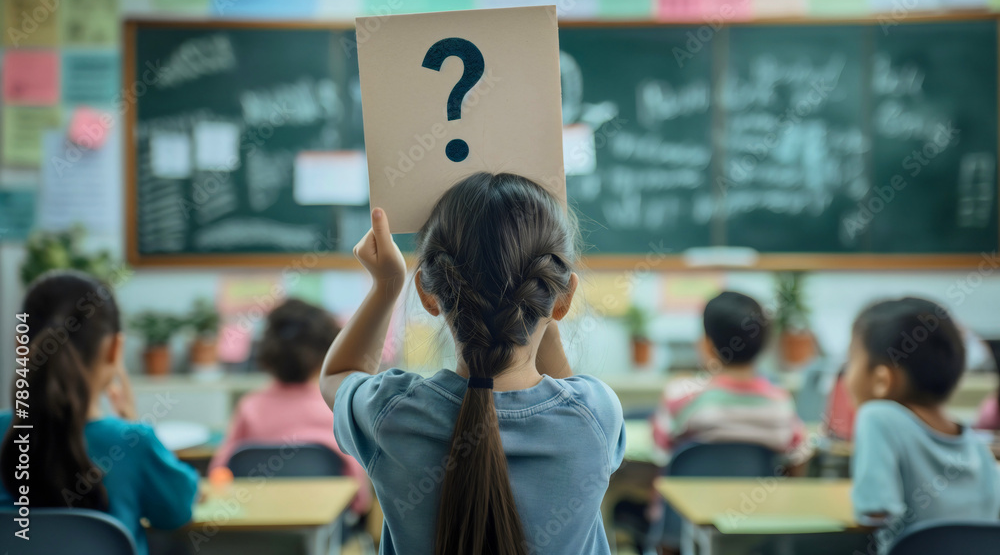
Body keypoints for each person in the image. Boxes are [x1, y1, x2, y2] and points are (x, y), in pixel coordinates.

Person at [321, 173, 625, 555]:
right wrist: (537, 305)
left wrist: (386, 286)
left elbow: (337, 375)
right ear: (562, 301)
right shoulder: (596, 415)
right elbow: (566, 394)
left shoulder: (391, 413)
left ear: (429, 295)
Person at [0, 271, 198, 555]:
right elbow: (176, 512)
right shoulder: (133, 443)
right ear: (115, 349)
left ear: (22, 345)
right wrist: (131, 426)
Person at [846, 297, 1000, 552]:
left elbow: (873, 509)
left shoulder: (877, 416)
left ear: (881, 380)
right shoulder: (974, 444)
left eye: (850, 360)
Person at [208, 298, 370, 514]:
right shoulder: (338, 409)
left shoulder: (250, 407)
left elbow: (218, 475)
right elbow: (360, 500)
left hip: (261, 527)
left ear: (267, 353)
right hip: (323, 533)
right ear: (330, 351)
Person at [652, 291, 808, 466]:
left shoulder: (680, 396)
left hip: (694, 493)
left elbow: (660, 454)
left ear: (707, 345)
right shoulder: (780, 403)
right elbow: (798, 455)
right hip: (759, 493)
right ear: (763, 344)